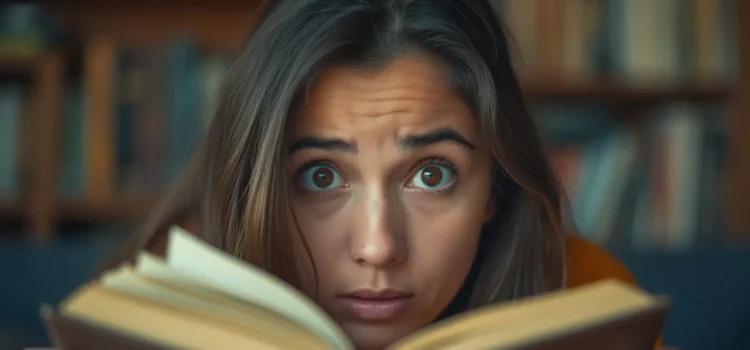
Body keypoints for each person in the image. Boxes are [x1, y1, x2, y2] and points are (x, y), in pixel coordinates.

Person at [100, 0, 662, 349]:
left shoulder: (581, 296)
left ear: (494, 183)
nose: (377, 247)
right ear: (257, 183)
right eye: (321, 176)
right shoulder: (162, 305)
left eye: (431, 175)